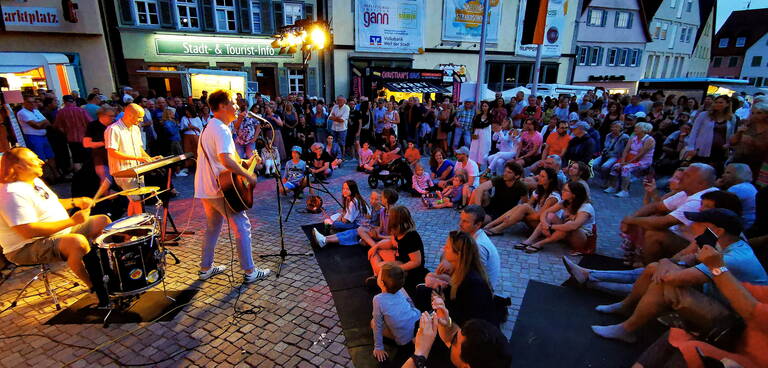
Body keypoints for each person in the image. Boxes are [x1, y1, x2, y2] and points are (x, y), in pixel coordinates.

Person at [591, 209, 767, 344]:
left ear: (718, 230)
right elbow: (681, 258)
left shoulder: (732, 258)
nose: (691, 227)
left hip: (737, 326)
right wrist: (668, 262)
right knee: (654, 267)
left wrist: (668, 263)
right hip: (719, 300)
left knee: (666, 284)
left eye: (699, 224)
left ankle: (627, 329)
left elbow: (674, 278)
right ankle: (626, 305)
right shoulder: (720, 240)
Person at [0, 147, 111, 304]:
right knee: (76, 242)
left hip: (59, 230)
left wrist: (76, 201)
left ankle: (107, 269)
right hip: (26, 246)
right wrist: (72, 222)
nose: (41, 161)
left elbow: (51, 202)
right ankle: (95, 285)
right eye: (34, 160)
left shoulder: (34, 181)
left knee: (103, 221)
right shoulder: (11, 193)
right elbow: (27, 231)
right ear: (18, 167)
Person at [633, 244, 768, 368]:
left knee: (691, 351)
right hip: (735, 337)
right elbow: (744, 290)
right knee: (678, 334)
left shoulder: (738, 254)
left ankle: (627, 320)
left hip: (748, 359)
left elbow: (751, 310)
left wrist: (716, 267)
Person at [193, 90, 270, 284]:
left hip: (206, 187)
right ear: (221, 106)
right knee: (242, 226)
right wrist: (248, 175)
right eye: (233, 104)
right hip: (220, 189)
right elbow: (226, 160)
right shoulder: (221, 128)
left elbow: (229, 159)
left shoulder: (210, 126)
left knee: (213, 227)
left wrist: (248, 161)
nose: (237, 107)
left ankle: (205, 268)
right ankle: (250, 271)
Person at [621, 163, 718, 264]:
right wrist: (632, 218)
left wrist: (630, 220)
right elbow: (656, 206)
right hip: (681, 238)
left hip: (696, 249)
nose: (681, 178)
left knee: (654, 234)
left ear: (701, 183)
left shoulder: (699, 200)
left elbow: (662, 222)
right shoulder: (688, 192)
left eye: (687, 176)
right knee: (648, 219)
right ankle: (638, 260)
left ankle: (648, 269)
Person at [105, 103, 159, 216]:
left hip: (137, 170)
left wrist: (149, 159)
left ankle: (132, 226)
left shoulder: (135, 129)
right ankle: (140, 227)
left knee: (135, 200)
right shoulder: (113, 129)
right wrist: (138, 158)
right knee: (137, 200)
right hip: (123, 171)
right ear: (129, 115)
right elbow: (112, 152)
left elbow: (139, 148)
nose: (141, 120)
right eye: (139, 117)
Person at [518, 181, 594, 254]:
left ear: (574, 195)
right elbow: (545, 212)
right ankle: (530, 240)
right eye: (563, 189)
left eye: (565, 190)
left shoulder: (586, 207)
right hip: (565, 233)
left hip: (581, 239)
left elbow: (574, 226)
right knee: (550, 215)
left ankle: (540, 243)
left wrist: (550, 227)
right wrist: (545, 224)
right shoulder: (565, 202)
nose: (562, 192)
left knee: (568, 225)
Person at [365, 206, 427, 293]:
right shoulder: (398, 232)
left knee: (379, 267)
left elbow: (416, 262)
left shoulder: (411, 237)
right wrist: (375, 247)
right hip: (399, 258)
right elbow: (391, 242)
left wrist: (397, 268)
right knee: (375, 252)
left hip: (407, 268)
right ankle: (377, 276)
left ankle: (380, 277)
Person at [486, 167, 561, 238]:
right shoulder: (539, 191)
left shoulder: (553, 197)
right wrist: (517, 214)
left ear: (550, 180)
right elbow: (528, 204)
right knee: (521, 206)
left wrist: (520, 216)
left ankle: (496, 229)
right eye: (539, 175)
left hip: (546, 227)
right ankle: (489, 225)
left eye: (543, 176)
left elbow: (538, 216)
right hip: (534, 221)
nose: (539, 178)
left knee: (524, 207)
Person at [370, 262, 421, 363]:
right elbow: (410, 302)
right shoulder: (400, 289)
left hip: (403, 339)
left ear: (382, 283)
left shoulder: (378, 299)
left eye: (379, 274)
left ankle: (410, 339)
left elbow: (377, 324)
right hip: (417, 321)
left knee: (372, 322)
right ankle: (415, 336)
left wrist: (379, 347)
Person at [685, 95, 735, 173]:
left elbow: (731, 133)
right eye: (716, 102)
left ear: (727, 104)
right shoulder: (704, 115)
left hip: (720, 151)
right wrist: (691, 147)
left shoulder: (731, 118)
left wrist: (728, 144)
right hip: (702, 149)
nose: (718, 104)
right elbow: (694, 131)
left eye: (721, 102)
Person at [605, 122, 656, 198]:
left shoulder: (649, 140)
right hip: (629, 158)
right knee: (615, 166)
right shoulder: (633, 137)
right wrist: (623, 161)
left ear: (644, 130)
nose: (635, 129)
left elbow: (641, 154)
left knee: (626, 168)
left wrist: (627, 163)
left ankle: (624, 190)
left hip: (642, 161)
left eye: (637, 128)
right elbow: (626, 150)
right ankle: (613, 186)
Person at [16, 96, 57, 180]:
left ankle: (55, 175)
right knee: (39, 158)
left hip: (43, 136)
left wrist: (41, 124)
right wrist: (43, 123)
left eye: (33, 102)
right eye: (29, 102)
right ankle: (44, 177)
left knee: (51, 156)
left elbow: (47, 123)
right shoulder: (22, 113)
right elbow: (36, 125)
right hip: (33, 137)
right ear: (24, 103)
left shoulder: (36, 111)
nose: (32, 104)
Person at [82, 107, 115, 184]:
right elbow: (86, 144)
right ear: (102, 116)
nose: (113, 118)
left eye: (114, 116)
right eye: (110, 116)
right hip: (100, 158)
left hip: (114, 158)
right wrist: (104, 143)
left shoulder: (114, 125)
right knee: (106, 181)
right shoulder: (93, 126)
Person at [593, 121, 630, 186]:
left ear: (621, 128)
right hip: (606, 154)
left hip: (616, 156)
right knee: (593, 164)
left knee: (605, 166)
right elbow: (606, 146)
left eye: (616, 127)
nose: (614, 128)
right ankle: (604, 177)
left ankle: (608, 180)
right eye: (613, 127)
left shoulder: (624, 137)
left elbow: (625, 149)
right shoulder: (608, 135)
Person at [179, 106, 203, 172]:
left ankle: (198, 165)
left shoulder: (197, 118)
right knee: (187, 151)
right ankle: (189, 165)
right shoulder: (184, 118)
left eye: (188, 111)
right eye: (186, 111)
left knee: (197, 151)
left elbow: (200, 129)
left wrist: (193, 127)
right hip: (186, 136)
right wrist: (187, 128)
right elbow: (181, 129)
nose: (186, 112)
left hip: (195, 136)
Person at [469, 101, 492, 166]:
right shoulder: (478, 115)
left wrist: (480, 124)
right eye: (483, 106)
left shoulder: (490, 116)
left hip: (485, 134)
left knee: (483, 149)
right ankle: (474, 164)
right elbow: (475, 124)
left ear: (488, 107)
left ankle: (480, 164)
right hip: (477, 133)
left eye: (485, 106)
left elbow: (486, 124)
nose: (484, 107)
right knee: (475, 148)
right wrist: (480, 124)